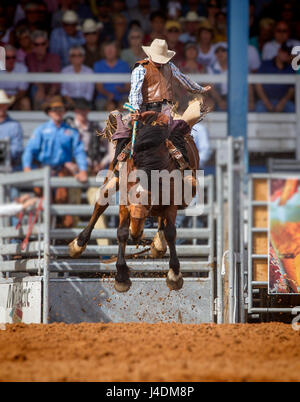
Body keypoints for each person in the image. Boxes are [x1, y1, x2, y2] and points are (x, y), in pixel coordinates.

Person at [22, 95, 88, 227]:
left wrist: (83, 170)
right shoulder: (41, 130)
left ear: (64, 112)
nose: (58, 112)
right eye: (54, 109)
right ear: (49, 112)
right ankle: (46, 231)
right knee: (43, 203)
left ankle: (60, 235)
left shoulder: (71, 132)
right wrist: (27, 167)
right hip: (43, 169)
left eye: (60, 109)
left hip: (62, 170)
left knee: (62, 201)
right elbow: (30, 150)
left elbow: (79, 152)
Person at [255, 43, 296, 113]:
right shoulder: (265, 64)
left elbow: (292, 89)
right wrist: (267, 103)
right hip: (265, 101)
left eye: (289, 54)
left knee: (293, 109)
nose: (286, 55)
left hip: (284, 102)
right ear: (279, 51)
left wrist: (283, 102)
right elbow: (257, 85)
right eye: (284, 52)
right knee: (259, 108)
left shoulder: (291, 68)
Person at [26, 30, 61, 110]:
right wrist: (41, 89)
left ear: (47, 44)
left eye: (43, 44)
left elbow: (56, 80)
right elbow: (33, 75)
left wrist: (50, 94)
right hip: (38, 88)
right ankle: (37, 116)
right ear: (33, 45)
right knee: (35, 90)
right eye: (37, 44)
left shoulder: (54, 58)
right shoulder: (30, 57)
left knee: (54, 97)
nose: (40, 47)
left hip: (52, 88)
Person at [94, 40, 131, 110]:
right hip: (103, 97)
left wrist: (122, 89)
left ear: (117, 51)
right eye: (107, 49)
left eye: (112, 49)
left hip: (122, 96)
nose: (109, 51)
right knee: (110, 106)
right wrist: (108, 94)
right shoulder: (98, 65)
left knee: (123, 106)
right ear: (103, 52)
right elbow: (99, 87)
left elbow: (128, 86)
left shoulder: (124, 65)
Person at [0, 45, 30, 110]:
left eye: (13, 57)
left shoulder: (22, 68)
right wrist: (4, 99)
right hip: (0, 100)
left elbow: (23, 91)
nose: (11, 60)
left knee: (25, 102)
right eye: (7, 57)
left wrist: (12, 99)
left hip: (16, 99)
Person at [0, 90, 23, 171]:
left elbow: (17, 149)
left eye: (3, 105)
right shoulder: (14, 125)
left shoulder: (15, 126)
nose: (1, 107)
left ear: (7, 106)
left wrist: (2, 153)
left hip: (7, 167)